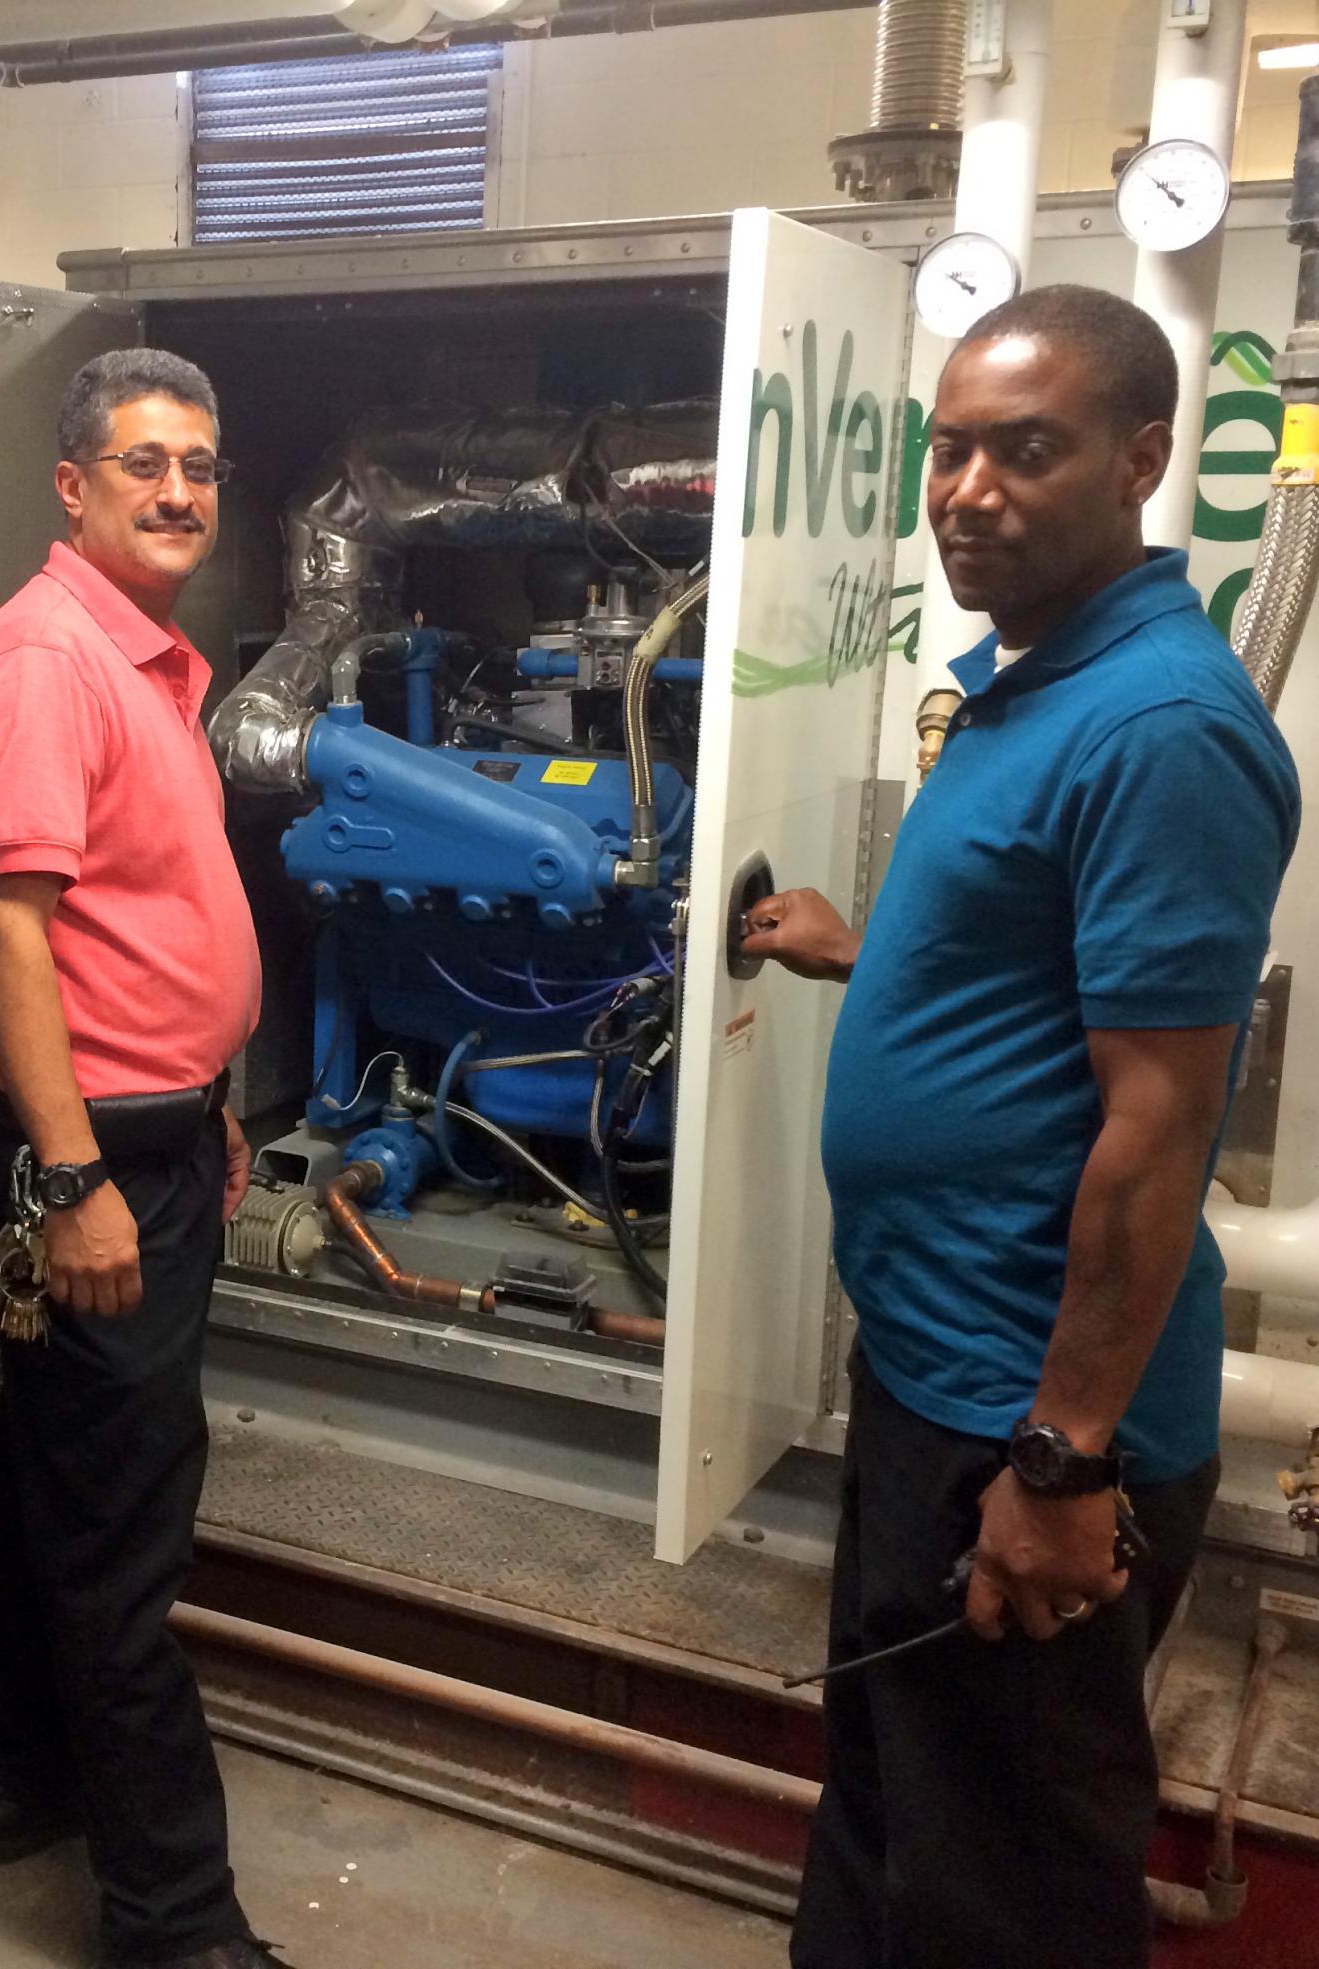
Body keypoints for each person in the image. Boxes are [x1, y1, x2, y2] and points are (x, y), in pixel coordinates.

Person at [743, 286, 1298, 1969]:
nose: (968, 489)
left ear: (1141, 460)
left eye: (1026, 450)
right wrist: (874, 947)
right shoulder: (1034, 684)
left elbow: (1157, 1124)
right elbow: (1042, 960)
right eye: (952, 447)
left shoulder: (1164, 727)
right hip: (938, 1374)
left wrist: (1062, 1462)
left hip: (1031, 1420)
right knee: (899, 1809)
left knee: (1008, 1884)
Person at [0, 348, 285, 1969]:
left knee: (52, 1476)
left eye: (200, 467)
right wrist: (75, 1179)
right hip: (84, 1157)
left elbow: (133, 923)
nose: (179, 492)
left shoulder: (149, 660)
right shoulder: (44, 662)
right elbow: (12, 936)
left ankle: (18, 1769)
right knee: (121, 1538)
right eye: (144, 463)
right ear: (72, 487)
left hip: (149, 1123)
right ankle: (174, 1921)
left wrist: (205, 1089)